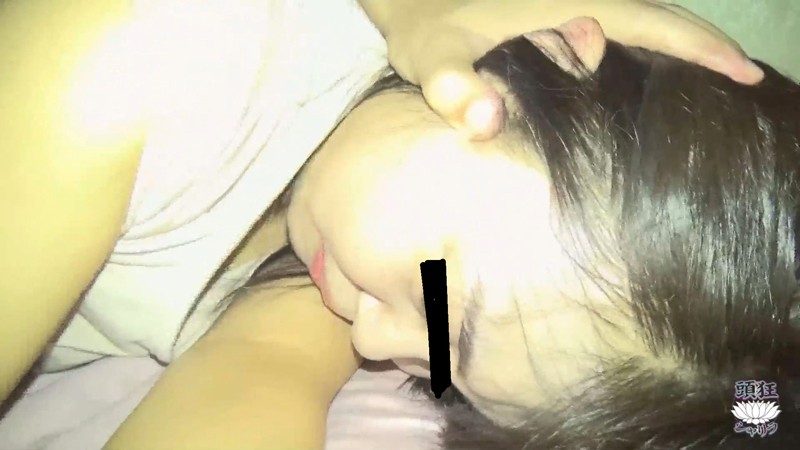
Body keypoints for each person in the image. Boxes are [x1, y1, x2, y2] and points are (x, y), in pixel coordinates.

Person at [0, 0, 763, 448]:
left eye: (439, 372)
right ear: (551, 50)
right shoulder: (145, 58)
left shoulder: (356, 216)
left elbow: (256, 371)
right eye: (438, 304)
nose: (369, 343)